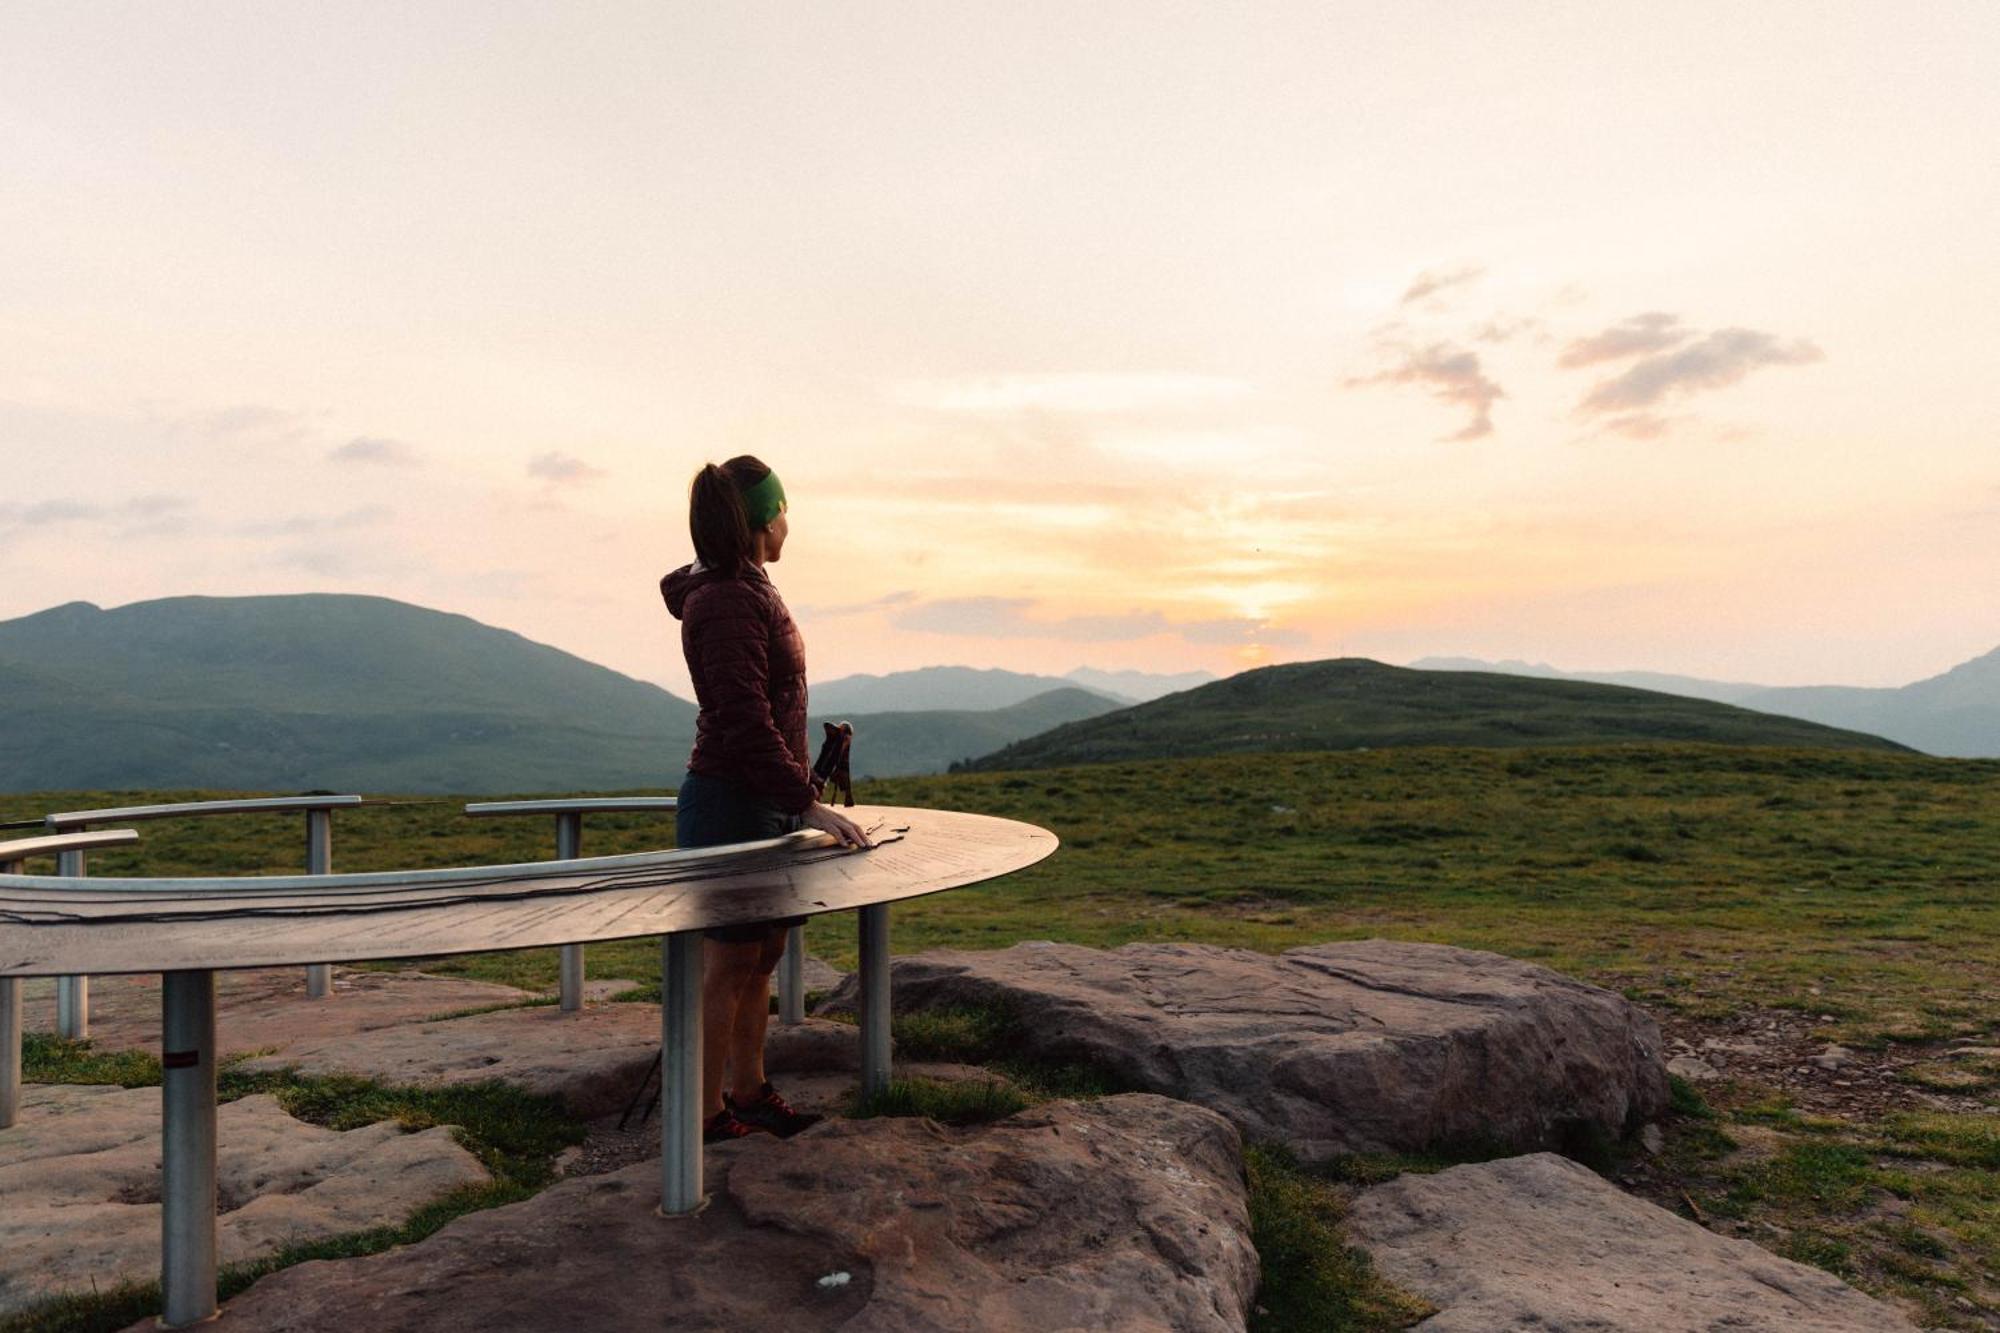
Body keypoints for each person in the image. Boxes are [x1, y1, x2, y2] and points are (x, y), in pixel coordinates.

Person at [661, 455, 872, 1145]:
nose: (790, 524)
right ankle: (702, 1114)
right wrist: (807, 803)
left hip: (765, 799)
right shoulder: (724, 600)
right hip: (729, 802)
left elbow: (766, 708)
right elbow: (744, 717)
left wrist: (800, 788)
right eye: (783, 511)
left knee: (763, 955)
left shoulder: (747, 587)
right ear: (760, 520)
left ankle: (747, 1091)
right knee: (726, 964)